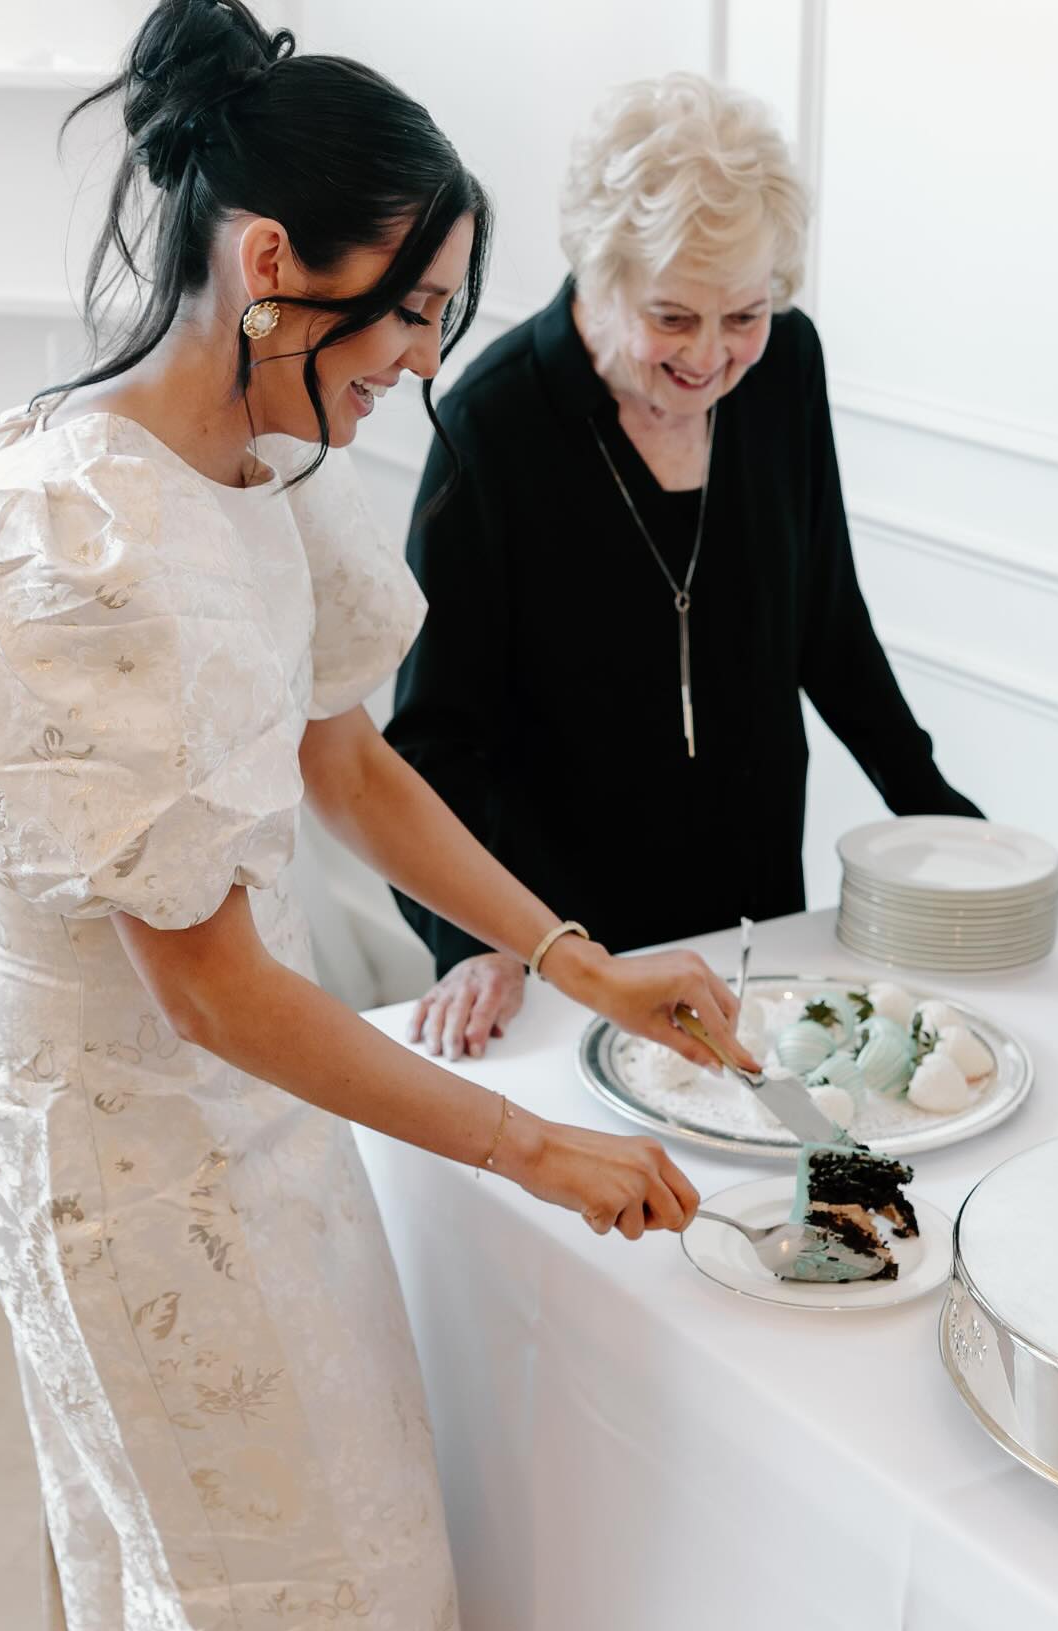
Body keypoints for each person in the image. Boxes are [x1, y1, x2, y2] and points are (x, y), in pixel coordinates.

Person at [0, 7, 753, 1631]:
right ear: (267, 269)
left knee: (337, 1572)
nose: (423, 366)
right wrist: (531, 1146)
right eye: (408, 315)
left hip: (257, 1109)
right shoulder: (74, 539)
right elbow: (212, 985)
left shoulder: (268, 469)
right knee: (254, 1585)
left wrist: (573, 962)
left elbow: (349, 759)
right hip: (127, 1157)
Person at [385, 73, 981, 1061]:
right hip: (570, 952)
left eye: (743, 315)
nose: (712, 359)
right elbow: (435, 742)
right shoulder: (494, 429)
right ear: (597, 275)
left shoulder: (785, 368)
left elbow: (826, 622)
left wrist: (947, 826)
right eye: (672, 318)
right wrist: (483, 939)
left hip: (757, 921)